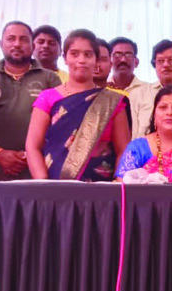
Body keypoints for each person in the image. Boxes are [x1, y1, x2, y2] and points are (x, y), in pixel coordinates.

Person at [25, 29, 130, 181]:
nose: (81, 60)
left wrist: (117, 185)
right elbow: (32, 146)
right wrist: (44, 184)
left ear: (96, 59)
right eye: (74, 54)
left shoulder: (112, 101)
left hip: (102, 188)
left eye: (88, 55)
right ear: (65, 58)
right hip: (55, 185)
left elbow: (124, 151)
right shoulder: (47, 98)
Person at [0, 21, 61, 181]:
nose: (17, 44)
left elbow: (59, 123)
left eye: (23, 39)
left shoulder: (50, 78)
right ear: (1, 44)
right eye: (11, 39)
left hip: (37, 169)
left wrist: (31, 155)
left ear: (32, 45)